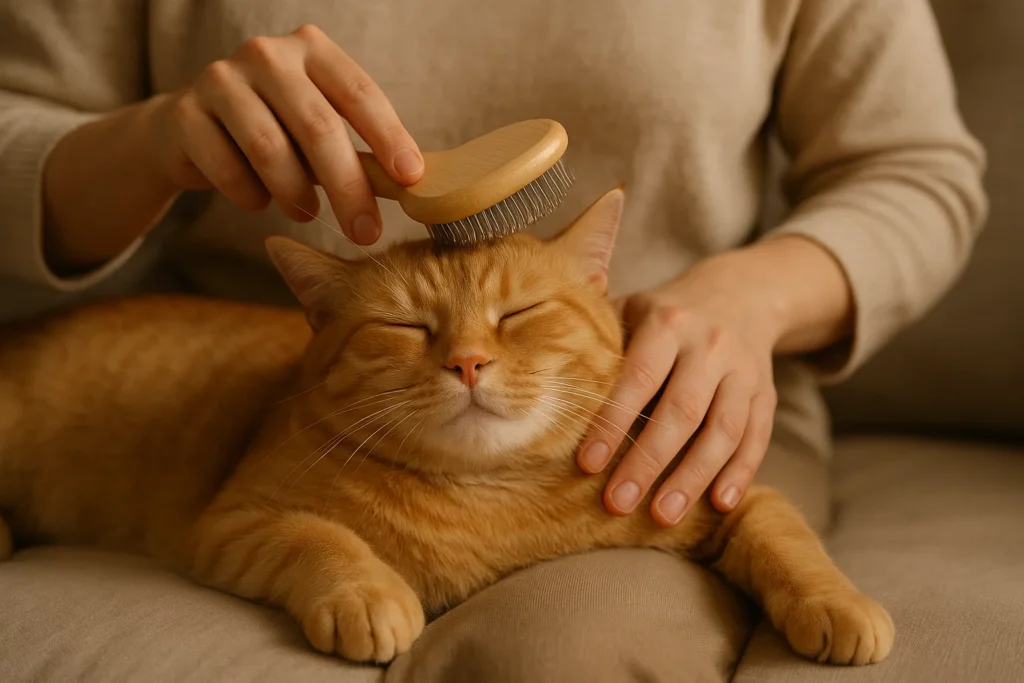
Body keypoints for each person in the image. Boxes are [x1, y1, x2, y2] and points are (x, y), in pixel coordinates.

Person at [0, 2, 986, 682]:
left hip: (664, 380)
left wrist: (752, 297)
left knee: (564, 654)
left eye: (502, 327)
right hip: (319, 397)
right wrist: (140, 143)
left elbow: (918, 169)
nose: (471, 355)